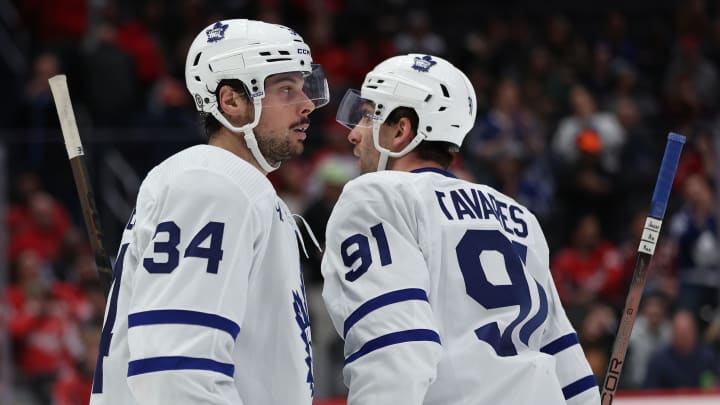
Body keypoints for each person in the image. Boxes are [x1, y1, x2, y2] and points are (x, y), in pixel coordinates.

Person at [321, 54, 599, 404]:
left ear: (402, 131)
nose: (355, 134)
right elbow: (563, 354)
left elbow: (395, 350)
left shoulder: (377, 196)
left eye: (367, 116)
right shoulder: (516, 215)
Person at [89, 19, 329, 404]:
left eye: (305, 88)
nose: (307, 105)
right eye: (286, 89)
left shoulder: (232, 187)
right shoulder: (212, 184)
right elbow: (174, 371)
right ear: (231, 101)